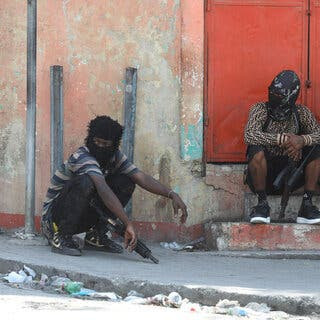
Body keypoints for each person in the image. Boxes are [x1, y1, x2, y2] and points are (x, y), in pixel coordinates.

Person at [41, 115, 188, 256]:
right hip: (55, 218)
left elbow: (140, 177)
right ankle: (61, 237)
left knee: (126, 181)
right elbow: (103, 189)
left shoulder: (115, 157)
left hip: (82, 215)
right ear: (90, 139)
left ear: (114, 144)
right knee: (86, 182)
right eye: (97, 142)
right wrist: (127, 223)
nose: (100, 147)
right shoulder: (83, 157)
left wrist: (171, 194)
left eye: (105, 144)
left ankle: (96, 236)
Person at [244, 70, 320, 225]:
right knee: (255, 148)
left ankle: (307, 205)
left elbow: (317, 134)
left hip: (293, 174)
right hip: (264, 175)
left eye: (279, 95)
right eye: (272, 92)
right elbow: (249, 134)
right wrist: (283, 140)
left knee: (315, 149)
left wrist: (302, 140)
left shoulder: (301, 113)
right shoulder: (259, 109)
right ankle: (262, 205)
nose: (273, 96)